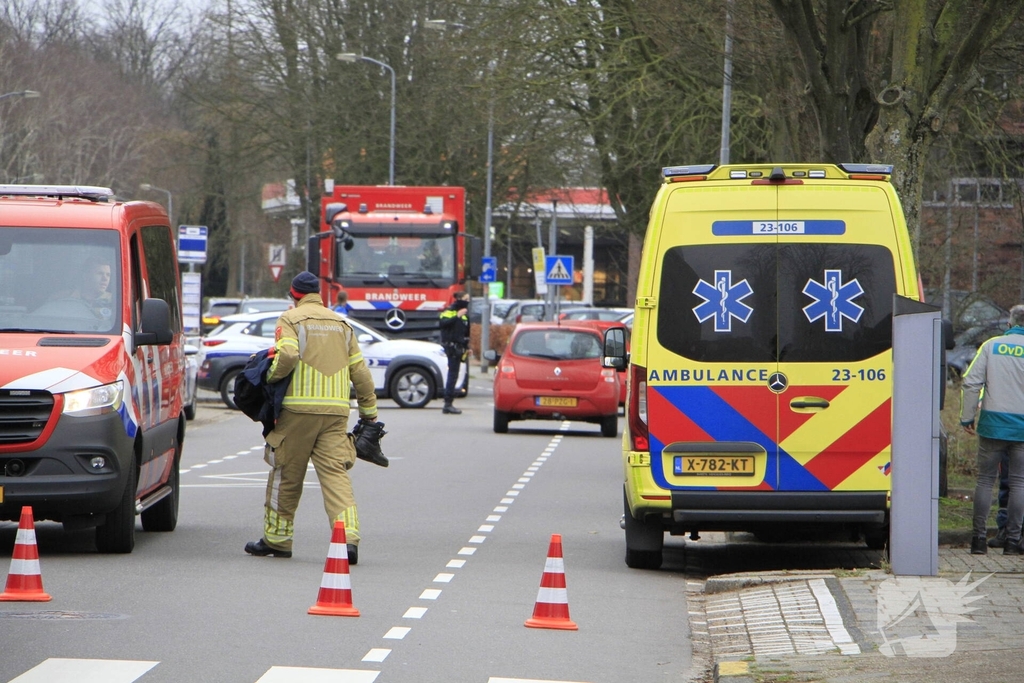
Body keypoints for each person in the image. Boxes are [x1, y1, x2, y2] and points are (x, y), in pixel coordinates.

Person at [245, 271, 378, 564]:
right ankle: (348, 540)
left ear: (293, 295)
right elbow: (361, 374)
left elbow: (289, 356)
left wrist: (270, 375)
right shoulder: (342, 324)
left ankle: (278, 540)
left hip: (296, 412)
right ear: (319, 294)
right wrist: (369, 414)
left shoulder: (290, 320)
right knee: (335, 476)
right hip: (335, 414)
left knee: (286, 475)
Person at [961, 304, 1024, 556]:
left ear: (1009, 324)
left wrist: (967, 418)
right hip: (1022, 428)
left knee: (985, 481)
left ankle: (978, 541)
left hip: (992, 425)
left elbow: (970, 382)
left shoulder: (991, 346)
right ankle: (1012, 541)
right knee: (1020, 483)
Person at [439, 291, 470, 415]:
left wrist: (467, 347)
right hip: (451, 348)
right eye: (465, 299)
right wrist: (456, 315)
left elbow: (465, 332)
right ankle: (447, 403)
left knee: (455, 375)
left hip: (460, 348)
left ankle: (449, 402)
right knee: (452, 375)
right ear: (459, 299)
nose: (467, 302)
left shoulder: (465, 314)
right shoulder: (449, 311)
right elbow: (443, 324)